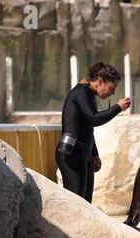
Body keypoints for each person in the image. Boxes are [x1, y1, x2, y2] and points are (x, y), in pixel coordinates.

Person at [56, 62, 131, 202]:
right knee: (77, 203)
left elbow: (87, 127)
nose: (113, 93)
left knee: (86, 203)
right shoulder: (81, 92)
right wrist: (118, 108)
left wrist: (94, 153)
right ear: (100, 81)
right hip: (71, 154)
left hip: (83, 153)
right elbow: (94, 119)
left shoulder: (88, 93)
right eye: (111, 88)